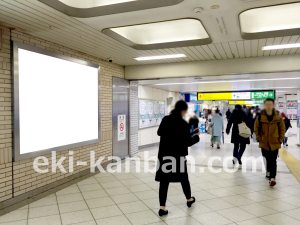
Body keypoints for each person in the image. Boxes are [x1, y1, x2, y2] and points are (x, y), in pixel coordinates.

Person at [155, 100, 199, 216]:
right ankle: (189, 199)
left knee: (164, 182)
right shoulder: (183, 124)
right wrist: (196, 137)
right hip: (178, 156)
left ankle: (162, 208)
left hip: (165, 156)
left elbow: (159, 132)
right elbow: (188, 142)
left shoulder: (165, 119)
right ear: (183, 110)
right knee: (184, 179)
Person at [254, 98, 285, 187]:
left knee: (273, 160)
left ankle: (272, 177)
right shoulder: (260, 117)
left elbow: (282, 129)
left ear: (273, 105)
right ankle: (268, 172)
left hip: (275, 142)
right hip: (264, 142)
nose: (268, 106)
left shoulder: (278, 117)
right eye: (267, 104)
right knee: (266, 158)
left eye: (270, 104)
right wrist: (259, 138)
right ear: (264, 106)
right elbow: (256, 128)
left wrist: (280, 140)